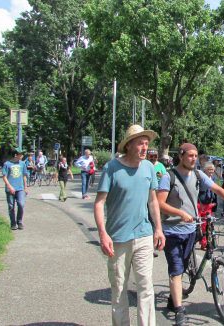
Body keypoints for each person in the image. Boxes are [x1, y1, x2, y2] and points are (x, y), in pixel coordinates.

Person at [157, 143, 224, 326]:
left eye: (196, 156)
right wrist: (180, 214)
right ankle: (179, 310)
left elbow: (217, 189)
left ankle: (174, 298)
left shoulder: (197, 174)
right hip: (172, 230)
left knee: (185, 265)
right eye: (190, 156)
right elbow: (159, 203)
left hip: (191, 229)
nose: (194, 159)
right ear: (181, 156)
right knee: (177, 269)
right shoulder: (168, 177)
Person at [93, 125, 165, 326]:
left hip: (144, 235)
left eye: (147, 144)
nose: (145, 148)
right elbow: (99, 203)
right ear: (129, 145)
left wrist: (158, 228)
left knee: (146, 287)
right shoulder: (112, 168)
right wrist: (103, 234)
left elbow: (153, 201)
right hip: (118, 238)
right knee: (118, 289)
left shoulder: (149, 168)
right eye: (141, 144)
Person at [2, 148, 29, 230]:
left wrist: (25, 187)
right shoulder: (7, 164)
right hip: (10, 189)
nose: (22, 156)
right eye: (21, 154)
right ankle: (13, 223)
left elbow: (24, 176)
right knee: (11, 206)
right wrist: (9, 187)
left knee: (21, 204)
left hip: (20, 188)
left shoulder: (22, 164)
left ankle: (19, 221)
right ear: (15, 155)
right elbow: (4, 177)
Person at [198, 162, 218, 250]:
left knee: (208, 225)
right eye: (209, 169)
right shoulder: (200, 179)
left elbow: (216, 192)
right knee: (202, 225)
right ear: (205, 170)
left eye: (212, 170)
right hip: (200, 204)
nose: (211, 171)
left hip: (209, 204)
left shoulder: (213, 178)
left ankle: (206, 243)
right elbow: (197, 192)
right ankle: (203, 242)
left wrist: (214, 207)